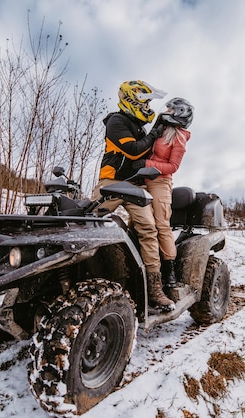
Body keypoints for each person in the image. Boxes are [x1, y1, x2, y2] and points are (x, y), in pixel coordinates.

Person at [91, 80, 175, 311]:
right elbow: (134, 149)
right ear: (132, 100)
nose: (148, 106)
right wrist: (155, 131)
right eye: (145, 101)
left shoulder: (139, 127)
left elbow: (148, 152)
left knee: (148, 229)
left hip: (136, 186)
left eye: (149, 102)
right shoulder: (117, 121)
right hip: (111, 181)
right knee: (87, 222)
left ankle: (154, 288)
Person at [132, 97, 194, 287]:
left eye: (170, 109)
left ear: (180, 113)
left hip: (160, 182)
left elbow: (173, 166)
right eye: (166, 108)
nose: (166, 111)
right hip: (141, 179)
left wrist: (146, 164)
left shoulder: (179, 137)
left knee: (161, 225)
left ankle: (169, 271)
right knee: (137, 222)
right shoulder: (161, 130)